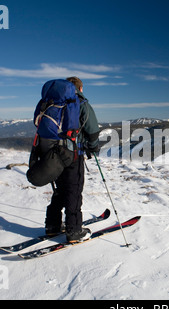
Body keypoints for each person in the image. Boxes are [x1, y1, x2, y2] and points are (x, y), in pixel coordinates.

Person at [41, 76, 100, 243]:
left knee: (60, 189)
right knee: (74, 190)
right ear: (80, 89)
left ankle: (52, 226)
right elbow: (93, 130)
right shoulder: (81, 103)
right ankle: (74, 231)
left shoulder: (52, 103)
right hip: (73, 154)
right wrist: (93, 147)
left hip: (53, 155)